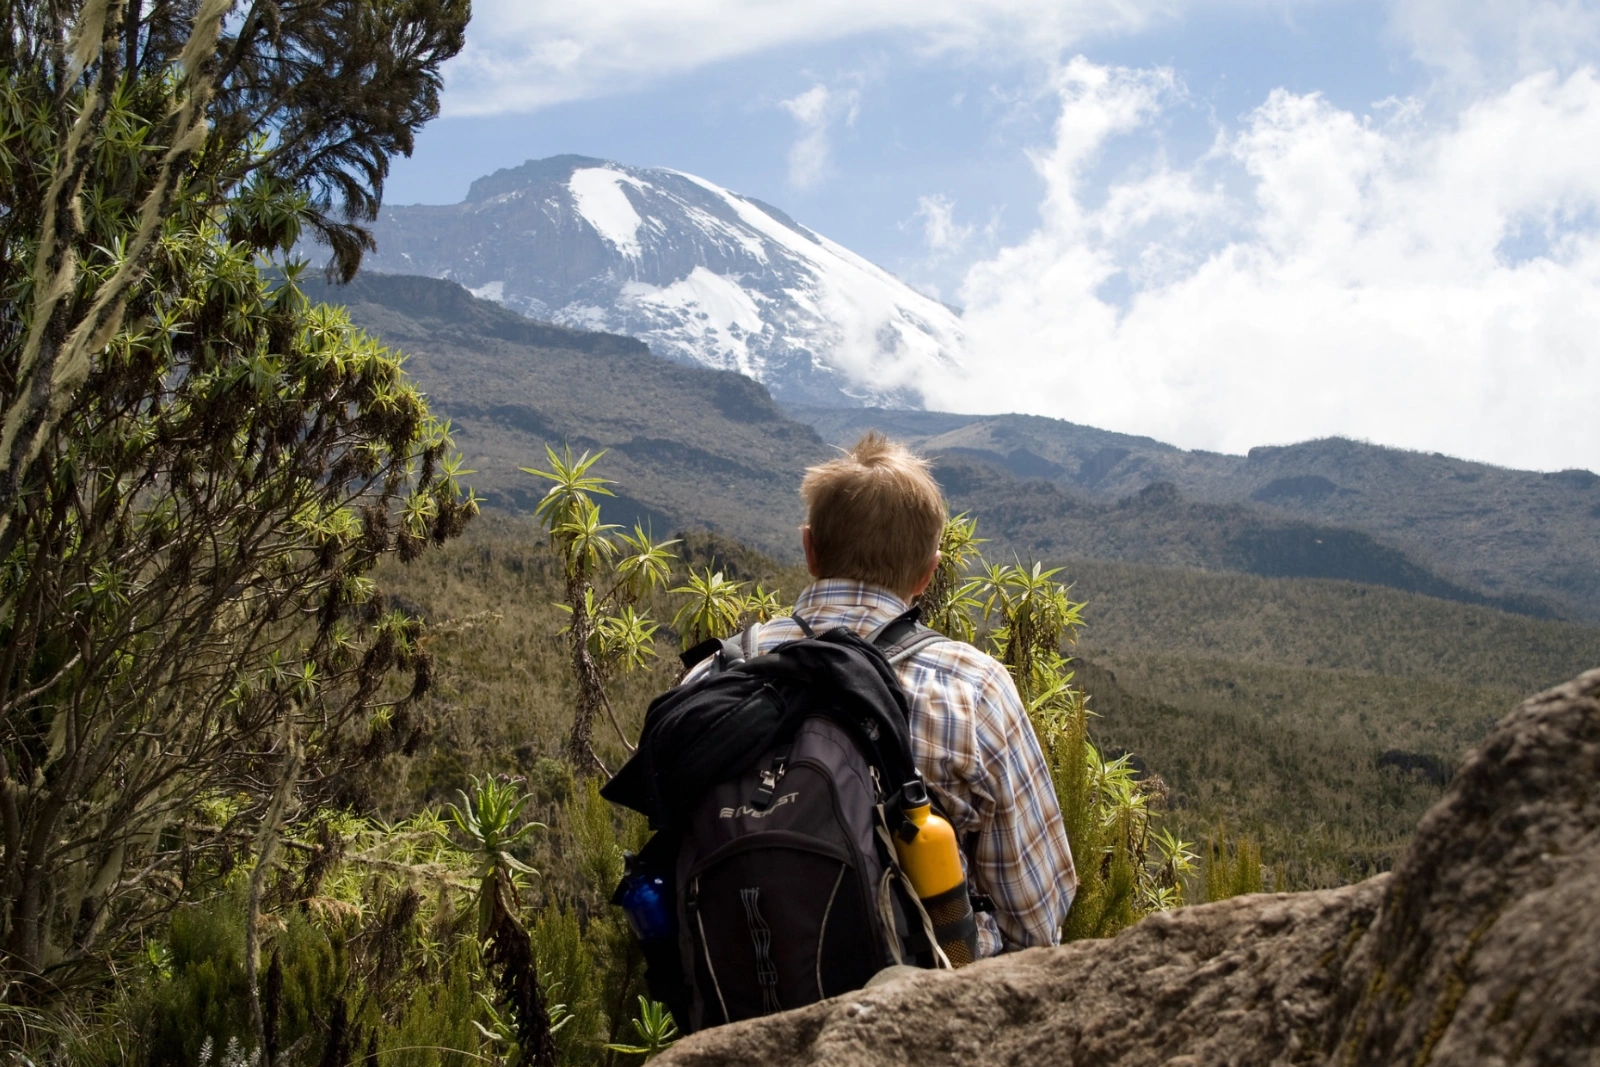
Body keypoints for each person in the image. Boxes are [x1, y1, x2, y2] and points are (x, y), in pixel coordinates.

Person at [698, 430, 1076, 956]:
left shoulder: (714, 677)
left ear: (810, 548)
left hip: (732, 1004)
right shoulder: (973, 689)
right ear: (928, 573)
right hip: (924, 1011)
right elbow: (1035, 919)